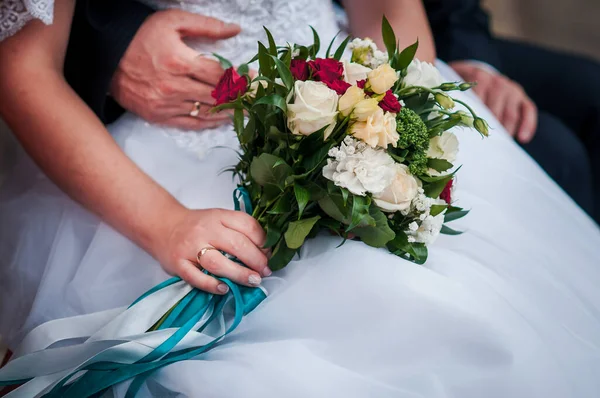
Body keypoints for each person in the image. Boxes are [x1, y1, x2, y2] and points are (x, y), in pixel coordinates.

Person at [1, 0, 600, 397]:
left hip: (353, 106)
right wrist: (166, 223)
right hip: (172, 158)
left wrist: (397, 132)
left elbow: (392, 19)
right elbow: (23, 71)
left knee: (488, 307)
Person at [424, 0, 600, 223]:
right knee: (557, 150)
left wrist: (479, 66)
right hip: (385, 57)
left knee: (593, 88)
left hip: (434, 30)